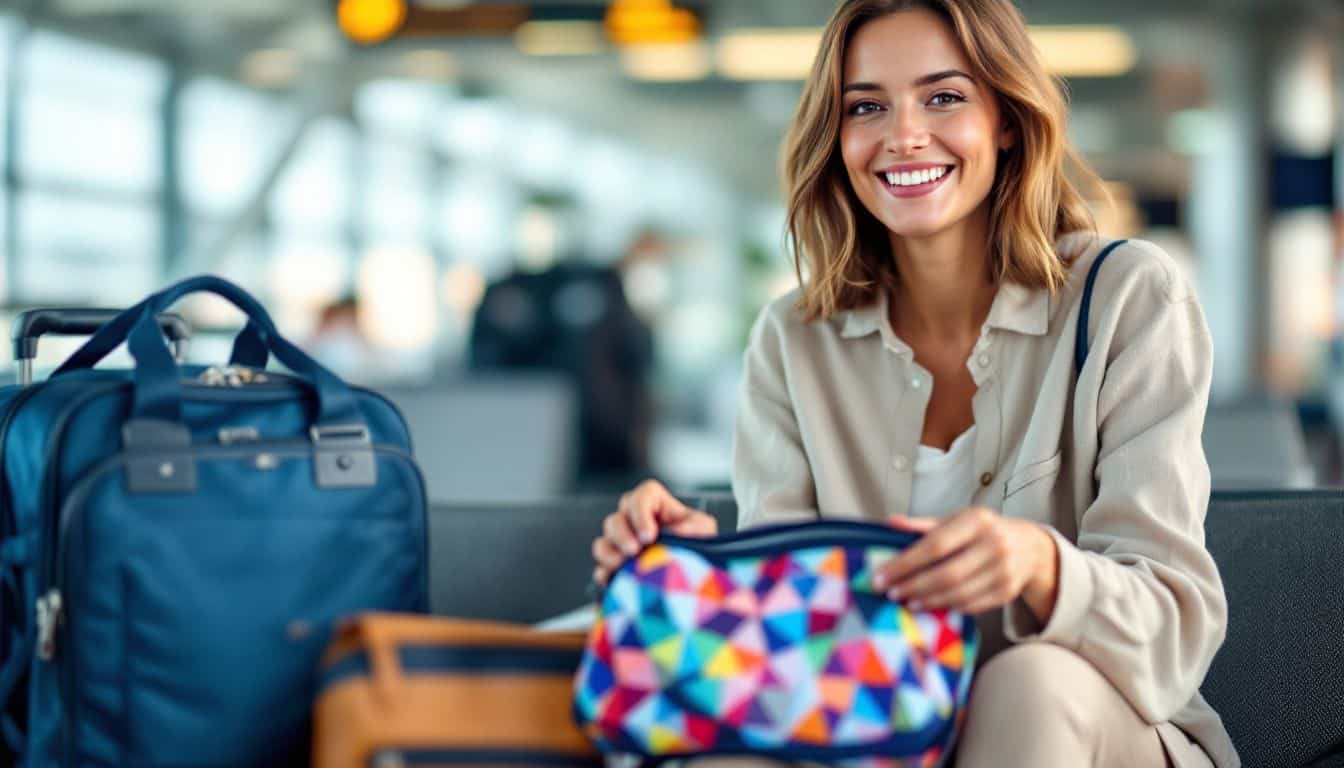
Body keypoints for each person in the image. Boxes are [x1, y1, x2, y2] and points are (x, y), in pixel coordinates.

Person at [589, 1, 1237, 767]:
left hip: (1096, 731)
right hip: (878, 731)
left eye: (944, 96)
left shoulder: (1131, 297)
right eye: (867, 106)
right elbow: (787, 655)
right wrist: (707, 575)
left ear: (1005, 116)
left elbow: (1173, 632)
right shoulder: (793, 339)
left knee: (1029, 684)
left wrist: (1038, 564)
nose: (902, 135)